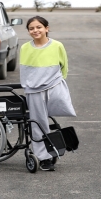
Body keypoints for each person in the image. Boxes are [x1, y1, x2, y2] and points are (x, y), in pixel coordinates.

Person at [19, 16, 76, 171]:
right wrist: (29, 86)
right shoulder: (25, 48)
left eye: (39, 27)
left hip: (54, 85)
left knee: (56, 114)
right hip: (34, 90)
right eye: (31, 28)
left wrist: (58, 81)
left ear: (46, 28)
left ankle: (53, 147)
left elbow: (64, 66)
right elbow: (25, 71)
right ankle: (44, 157)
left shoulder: (57, 46)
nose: (35, 30)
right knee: (38, 123)